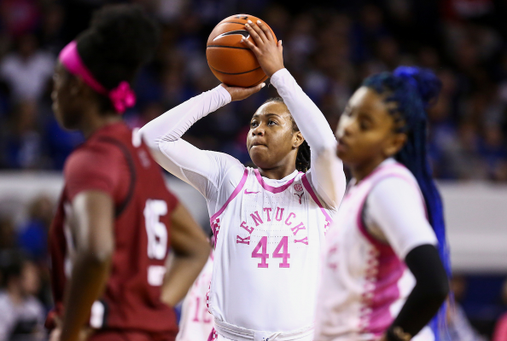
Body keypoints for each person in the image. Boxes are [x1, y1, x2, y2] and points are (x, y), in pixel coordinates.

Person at [140, 20, 346, 341]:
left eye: (271, 122)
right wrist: (220, 94)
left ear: (297, 138)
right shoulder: (229, 178)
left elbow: (327, 147)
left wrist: (280, 76)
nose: (257, 129)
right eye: (253, 123)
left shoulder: (319, 190)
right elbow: (151, 140)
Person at [46, 5, 211, 341]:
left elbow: (96, 251)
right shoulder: (139, 157)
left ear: (77, 87)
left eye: (57, 81)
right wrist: (145, 311)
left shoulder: (93, 159)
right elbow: (197, 248)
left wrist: (69, 332)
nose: (53, 93)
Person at [315, 66, 450, 341]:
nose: (348, 127)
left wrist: (393, 338)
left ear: (393, 143)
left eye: (365, 125)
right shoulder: (360, 188)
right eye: (349, 113)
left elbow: (434, 283)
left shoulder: (389, 187)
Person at [0, 251, 45, 341]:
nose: (36, 279)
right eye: (31, 274)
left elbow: (41, 336)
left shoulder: (34, 305)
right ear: (14, 279)